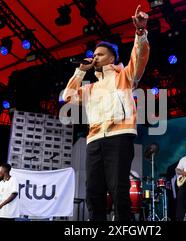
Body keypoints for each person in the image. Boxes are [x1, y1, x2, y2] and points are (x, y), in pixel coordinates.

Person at [62, 5, 150, 221]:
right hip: (94, 140)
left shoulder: (124, 76)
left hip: (119, 136)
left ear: (112, 58)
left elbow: (139, 59)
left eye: (100, 54)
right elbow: (68, 97)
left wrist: (140, 33)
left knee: (119, 190)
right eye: (94, 55)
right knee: (93, 193)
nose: (95, 58)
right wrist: (80, 71)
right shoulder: (89, 88)